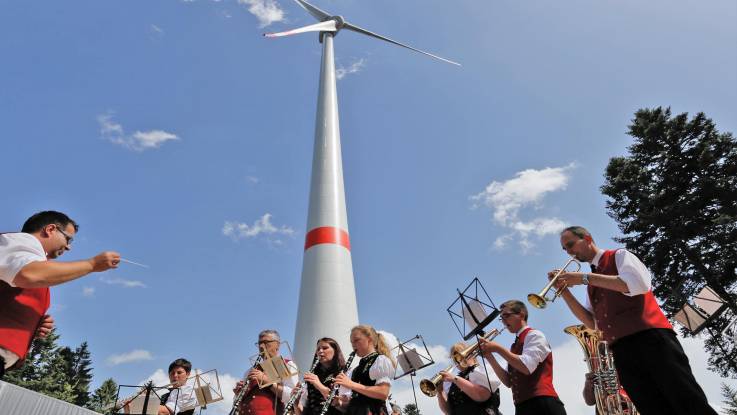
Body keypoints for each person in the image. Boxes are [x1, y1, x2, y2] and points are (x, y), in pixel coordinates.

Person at [550, 225, 717, 415]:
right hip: (621, 349)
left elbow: (638, 284)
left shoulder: (619, 256)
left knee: (686, 399)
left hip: (651, 339)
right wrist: (564, 292)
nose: (569, 251)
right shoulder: (590, 283)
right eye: (565, 249)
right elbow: (592, 323)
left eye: (571, 244)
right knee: (652, 408)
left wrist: (585, 278)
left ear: (587, 239)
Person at [0, 211, 120, 379]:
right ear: (50, 229)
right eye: (68, 239)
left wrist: (33, 323)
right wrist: (91, 264)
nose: (69, 246)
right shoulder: (17, 242)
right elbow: (28, 274)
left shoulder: (35, 260)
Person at [479, 300, 566, 415]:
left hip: (542, 403)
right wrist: (489, 357)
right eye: (501, 318)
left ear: (521, 315)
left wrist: (498, 348)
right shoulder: (514, 346)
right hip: (522, 407)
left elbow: (526, 367)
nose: (503, 321)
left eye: (506, 315)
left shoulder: (535, 335)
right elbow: (508, 381)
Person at [233, 329, 299, 415]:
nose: (261, 346)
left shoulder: (286, 365)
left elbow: (293, 396)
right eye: (259, 343)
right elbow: (236, 405)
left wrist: (267, 381)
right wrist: (238, 394)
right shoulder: (250, 370)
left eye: (266, 342)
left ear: (277, 345)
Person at [333, 325, 395, 415]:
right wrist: (339, 402)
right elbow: (358, 398)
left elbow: (383, 392)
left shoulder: (380, 360)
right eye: (351, 342)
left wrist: (350, 384)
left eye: (356, 340)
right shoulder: (356, 369)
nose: (353, 345)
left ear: (369, 339)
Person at [436, 342, 501, 415]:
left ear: (471, 353)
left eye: (459, 355)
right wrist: (440, 391)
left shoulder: (482, 370)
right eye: (454, 359)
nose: (458, 361)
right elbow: (448, 411)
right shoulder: (454, 381)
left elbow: (482, 395)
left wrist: (454, 379)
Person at [297, 337, 346, 415]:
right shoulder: (312, 376)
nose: (320, 351)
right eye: (318, 349)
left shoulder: (345, 373)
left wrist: (319, 385)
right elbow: (303, 411)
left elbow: (347, 407)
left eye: (325, 348)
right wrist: (296, 403)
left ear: (335, 351)